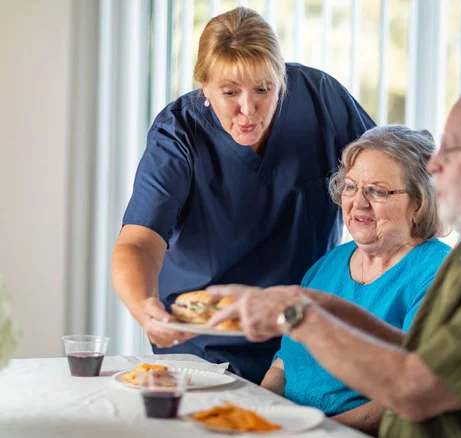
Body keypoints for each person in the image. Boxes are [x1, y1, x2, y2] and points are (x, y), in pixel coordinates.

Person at [207, 80, 461, 437]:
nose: (435, 166)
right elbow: (422, 353)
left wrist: (296, 316)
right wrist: (310, 302)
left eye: (454, 148)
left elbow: (416, 390)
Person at [111, 7, 375, 385]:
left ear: (281, 77)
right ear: (204, 85)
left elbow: (387, 172)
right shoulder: (178, 134)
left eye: (264, 90)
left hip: (300, 331)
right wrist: (144, 308)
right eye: (230, 92)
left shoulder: (321, 98)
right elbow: (138, 243)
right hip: (206, 342)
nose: (248, 110)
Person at [260, 125, 450, 435]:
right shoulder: (328, 265)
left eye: (377, 190)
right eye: (350, 186)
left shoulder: (439, 273)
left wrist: (315, 432)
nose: (358, 202)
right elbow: (284, 362)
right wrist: (255, 411)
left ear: (419, 202)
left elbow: (412, 394)